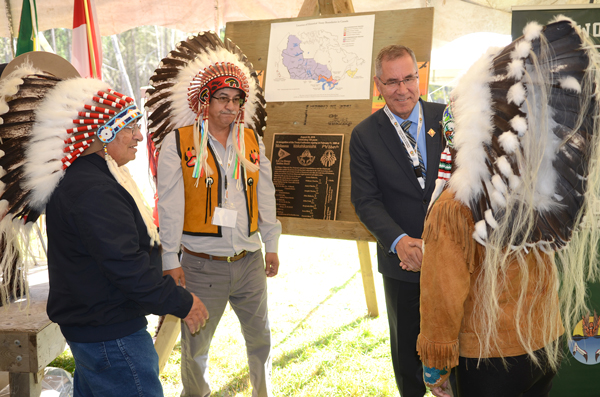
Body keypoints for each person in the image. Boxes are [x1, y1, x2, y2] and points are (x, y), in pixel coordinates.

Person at [0, 53, 209, 396]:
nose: (139, 136)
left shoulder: (89, 177)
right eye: (129, 127)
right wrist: (181, 302)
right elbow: (124, 265)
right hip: (111, 333)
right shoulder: (93, 190)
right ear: (102, 133)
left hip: (99, 327)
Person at [417, 17, 600, 397]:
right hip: (544, 345)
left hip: (490, 358)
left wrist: (435, 366)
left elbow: (443, 296)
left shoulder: (453, 207)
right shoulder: (534, 189)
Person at [146, 31, 281, 397]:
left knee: (261, 338)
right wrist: (170, 260)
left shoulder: (251, 140)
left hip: (250, 259)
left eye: (237, 100)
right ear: (205, 99)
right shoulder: (179, 143)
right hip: (202, 264)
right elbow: (170, 207)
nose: (231, 107)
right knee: (196, 348)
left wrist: (270, 243)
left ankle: (263, 393)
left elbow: (264, 194)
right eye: (223, 98)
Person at [349, 45, 445, 397]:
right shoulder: (364, 135)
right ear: (378, 85)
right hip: (403, 263)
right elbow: (365, 200)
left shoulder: (448, 118)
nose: (402, 89)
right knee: (408, 354)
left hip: (454, 258)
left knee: (462, 345)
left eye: (408, 78)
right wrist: (399, 241)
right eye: (391, 82)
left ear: (418, 78)